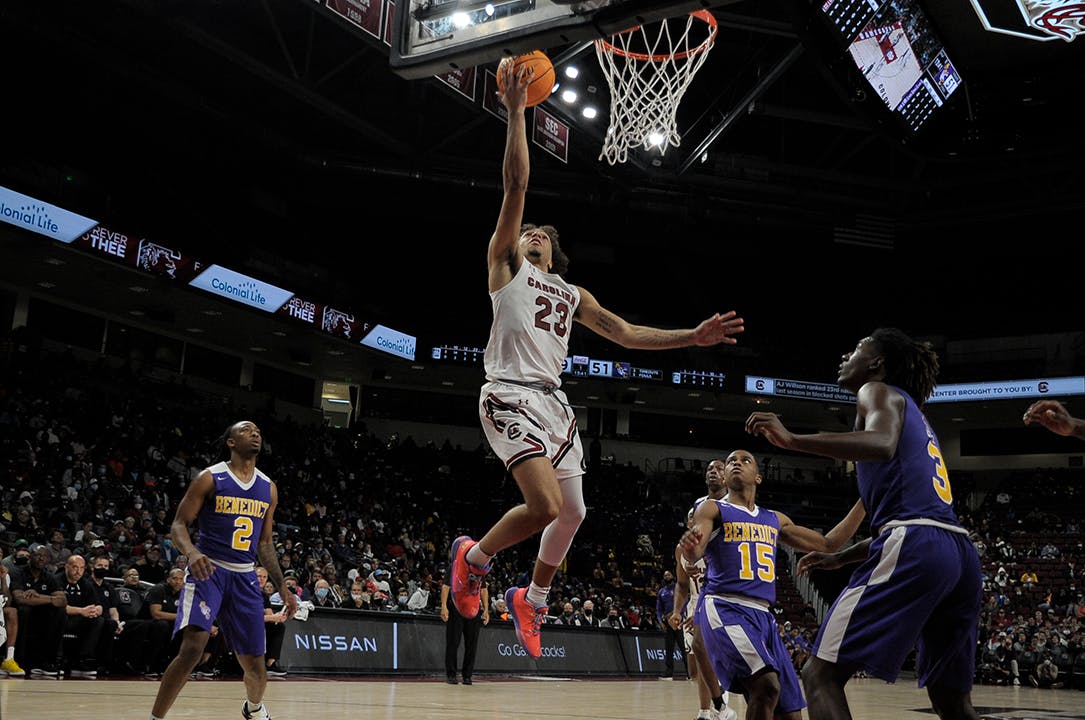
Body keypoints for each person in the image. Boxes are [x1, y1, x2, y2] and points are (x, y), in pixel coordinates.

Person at [448, 56, 746, 660]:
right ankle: (473, 560)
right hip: (508, 391)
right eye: (527, 231)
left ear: (555, 254)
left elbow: (628, 333)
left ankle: (531, 597)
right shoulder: (504, 268)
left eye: (542, 235)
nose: (532, 234)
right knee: (546, 506)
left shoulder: (572, 295)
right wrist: (515, 115)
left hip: (554, 405)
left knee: (575, 512)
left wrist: (693, 335)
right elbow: (516, 187)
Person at [746, 328, 983, 720]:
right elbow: (918, 513)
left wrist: (792, 440)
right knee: (953, 702)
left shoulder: (877, 391)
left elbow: (881, 442)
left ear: (877, 363)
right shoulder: (917, 416)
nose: (846, 355)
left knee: (819, 675)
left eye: (857, 348)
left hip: (917, 542)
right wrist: (842, 557)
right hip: (957, 553)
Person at [679, 450, 866, 720]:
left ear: (758, 477)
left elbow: (828, 544)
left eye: (744, 460)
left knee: (791, 714)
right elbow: (695, 553)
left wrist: (866, 500)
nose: (735, 463)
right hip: (725, 607)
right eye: (731, 460)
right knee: (766, 686)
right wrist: (690, 548)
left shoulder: (774, 519)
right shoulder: (712, 508)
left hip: (764, 617)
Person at [148, 420, 296, 720]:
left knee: (255, 665)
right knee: (193, 647)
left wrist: (282, 587)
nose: (255, 433)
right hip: (209, 570)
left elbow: (265, 544)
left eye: (258, 431)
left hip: (244, 575)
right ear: (230, 442)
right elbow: (178, 524)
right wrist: (191, 553)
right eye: (246, 430)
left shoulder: (268, 488)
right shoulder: (210, 477)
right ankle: (156, 718)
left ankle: (253, 708)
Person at [671, 461, 736, 720]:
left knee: (713, 656)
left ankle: (721, 707)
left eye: (719, 468)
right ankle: (706, 711)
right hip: (696, 602)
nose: (694, 521)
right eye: (691, 519)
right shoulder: (682, 549)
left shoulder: (716, 540)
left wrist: (699, 609)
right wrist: (677, 610)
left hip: (718, 597)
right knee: (699, 662)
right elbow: (681, 583)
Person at [10, 542, 67, 676]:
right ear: (30, 557)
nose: (41, 558)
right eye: (38, 555)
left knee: (60, 612)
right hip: (21, 614)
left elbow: (63, 601)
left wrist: (38, 596)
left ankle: (47, 661)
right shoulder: (17, 572)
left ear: (48, 559)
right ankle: (20, 660)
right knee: (25, 610)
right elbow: (20, 599)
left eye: (45, 556)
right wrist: (50, 599)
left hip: (42, 615)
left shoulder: (49, 577)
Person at [441, 578, 490, 685]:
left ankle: (467, 676)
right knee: (453, 642)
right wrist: (444, 606)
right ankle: (451, 675)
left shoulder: (479, 568)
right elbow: (445, 586)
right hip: (456, 608)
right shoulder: (456, 565)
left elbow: (483, 589)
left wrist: (486, 609)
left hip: (474, 609)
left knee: (472, 644)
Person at [657, 569, 684, 679]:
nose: (667, 576)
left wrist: (677, 613)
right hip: (668, 623)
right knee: (669, 648)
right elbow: (658, 610)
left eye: (668, 574)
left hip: (679, 621)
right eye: (665, 575)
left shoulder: (679, 588)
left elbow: (685, 603)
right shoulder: (661, 592)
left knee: (683, 647)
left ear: (672, 576)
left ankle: (690, 672)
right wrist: (660, 622)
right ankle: (669, 672)